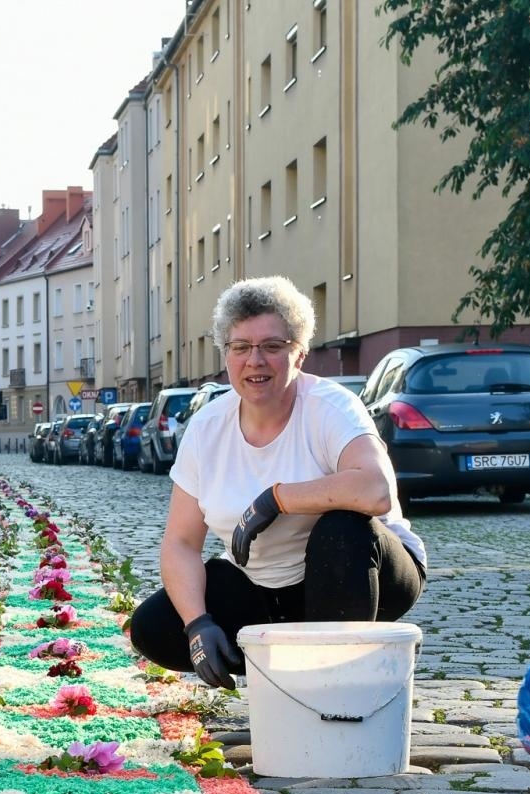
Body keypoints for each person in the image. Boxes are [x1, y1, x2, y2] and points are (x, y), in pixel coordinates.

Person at [128, 276, 427, 688]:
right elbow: (180, 542)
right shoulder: (207, 428)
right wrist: (197, 625)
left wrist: (277, 499)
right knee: (154, 626)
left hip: (363, 571)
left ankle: (340, 687)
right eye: (241, 347)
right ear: (226, 354)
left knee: (342, 528)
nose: (256, 360)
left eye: (272, 346)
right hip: (266, 587)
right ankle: (285, 677)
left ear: (299, 354)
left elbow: (374, 490)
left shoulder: (330, 407)